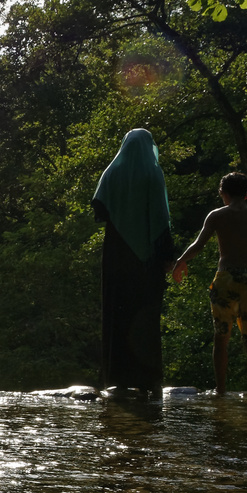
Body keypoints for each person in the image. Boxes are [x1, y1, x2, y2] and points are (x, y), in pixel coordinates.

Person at [172, 172, 247, 396]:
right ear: (246, 194)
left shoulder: (217, 215)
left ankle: (221, 390)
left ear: (223, 193)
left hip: (225, 278)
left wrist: (181, 261)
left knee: (221, 337)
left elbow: (198, 245)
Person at [92, 129, 176, 396]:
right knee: (145, 317)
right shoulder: (153, 172)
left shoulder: (111, 173)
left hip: (115, 255)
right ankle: (148, 379)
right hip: (146, 261)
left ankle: (116, 378)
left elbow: (99, 209)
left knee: (117, 314)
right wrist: (168, 258)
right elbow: (161, 220)